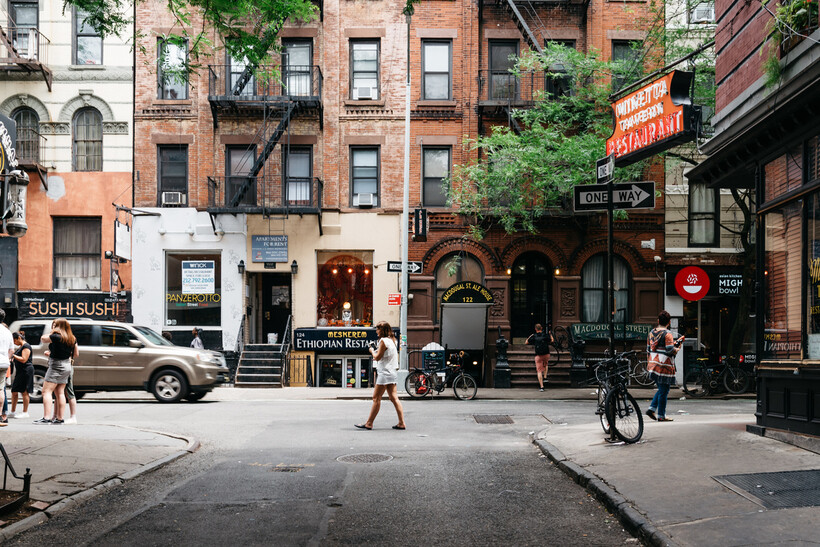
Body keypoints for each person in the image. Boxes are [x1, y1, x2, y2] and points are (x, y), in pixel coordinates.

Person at [355, 321, 406, 430]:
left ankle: (369, 423)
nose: (376, 331)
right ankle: (401, 423)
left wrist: (372, 351)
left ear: (382, 330)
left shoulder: (383, 341)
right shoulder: (393, 341)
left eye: (378, 329)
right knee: (394, 398)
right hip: (392, 372)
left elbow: (377, 357)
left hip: (384, 373)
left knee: (376, 398)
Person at [35, 318, 78, 425]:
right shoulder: (72, 338)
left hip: (55, 366)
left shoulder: (56, 336)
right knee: (60, 393)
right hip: (66, 365)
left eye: (55, 325)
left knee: (46, 392)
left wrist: (53, 331)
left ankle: (46, 417)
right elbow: (75, 354)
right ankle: (60, 418)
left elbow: (43, 339)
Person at [646, 310, 683, 422]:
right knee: (663, 390)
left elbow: (648, 349)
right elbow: (670, 350)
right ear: (669, 322)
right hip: (664, 366)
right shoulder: (668, 334)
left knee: (662, 389)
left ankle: (652, 409)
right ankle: (661, 415)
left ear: (658, 321)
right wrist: (678, 347)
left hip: (653, 364)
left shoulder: (651, 333)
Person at [10, 331, 34, 419]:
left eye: (14, 341)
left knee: (24, 391)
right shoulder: (21, 347)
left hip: (26, 370)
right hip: (20, 371)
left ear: (19, 338)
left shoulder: (26, 346)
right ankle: (12, 411)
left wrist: (13, 355)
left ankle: (25, 412)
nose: (14, 343)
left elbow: (24, 359)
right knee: (14, 391)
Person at [526, 324, 553, 392]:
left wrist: (530, 336)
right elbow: (552, 341)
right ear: (541, 328)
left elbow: (526, 342)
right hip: (546, 354)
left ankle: (542, 386)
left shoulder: (534, 336)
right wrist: (550, 334)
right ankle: (545, 377)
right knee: (546, 364)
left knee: (539, 371)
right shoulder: (545, 335)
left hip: (538, 355)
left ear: (535, 329)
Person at [0, 309, 13, 427]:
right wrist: (7, 359)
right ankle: (1, 415)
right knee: (1, 389)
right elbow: (11, 350)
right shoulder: (7, 332)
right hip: (4, 363)